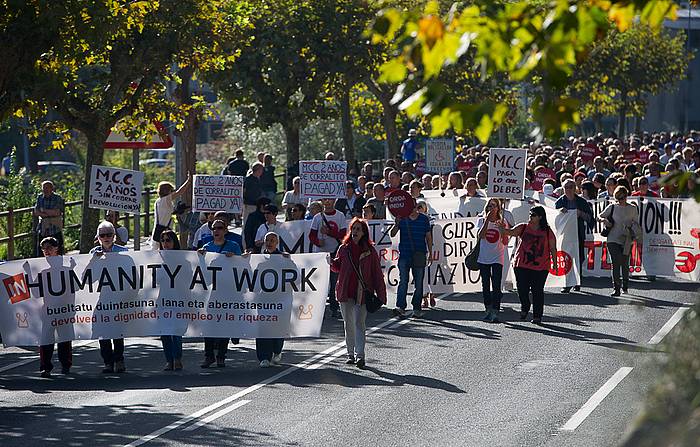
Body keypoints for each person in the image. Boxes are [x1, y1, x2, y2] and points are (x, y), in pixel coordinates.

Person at [331, 218, 387, 369]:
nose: (355, 232)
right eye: (353, 229)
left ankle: (360, 355)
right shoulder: (344, 248)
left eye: (358, 229)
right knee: (348, 323)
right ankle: (350, 354)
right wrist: (330, 262)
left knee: (359, 324)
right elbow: (337, 266)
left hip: (362, 293)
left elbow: (377, 273)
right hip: (344, 292)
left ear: (364, 233)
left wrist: (381, 294)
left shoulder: (370, 251)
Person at [498, 206, 557, 324]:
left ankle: (537, 316)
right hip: (521, 265)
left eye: (533, 215)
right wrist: (502, 229)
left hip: (540, 267)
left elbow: (552, 248)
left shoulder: (547, 231)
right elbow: (510, 232)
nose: (530, 216)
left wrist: (555, 263)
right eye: (530, 214)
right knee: (522, 290)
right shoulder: (523, 227)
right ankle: (525, 306)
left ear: (540, 217)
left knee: (537, 291)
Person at [198, 219, 242, 368]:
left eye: (220, 228)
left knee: (225, 322)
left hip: (228, 291)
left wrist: (234, 259)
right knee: (209, 323)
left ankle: (221, 355)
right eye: (214, 228)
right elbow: (200, 268)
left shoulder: (233, 246)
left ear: (225, 230)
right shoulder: (207, 247)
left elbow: (242, 266)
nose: (216, 231)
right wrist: (199, 256)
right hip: (211, 292)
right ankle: (208, 355)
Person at [90, 221, 129, 373]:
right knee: (102, 330)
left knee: (117, 331)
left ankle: (119, 360)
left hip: (119, 297)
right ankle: (107, 362)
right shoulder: (93, 253)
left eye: (109, 235)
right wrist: (95, 260)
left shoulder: (123, 251)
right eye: (102, 235)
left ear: (114, 236)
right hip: (102, 297)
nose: (106, 238)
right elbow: (87, 278)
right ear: (98, 237)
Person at [390, 200, 433, 317]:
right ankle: (400, 306)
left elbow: (428, 237)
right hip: (404, 254)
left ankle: (416, 307)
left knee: (418, 283)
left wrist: (430, 252)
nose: (414, 208)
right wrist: (396, 224)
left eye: (416, 206)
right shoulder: (402, 219)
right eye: (412, 206)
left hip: (419, 254)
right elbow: (392, 234)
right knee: (403, 281)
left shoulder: (424, 219)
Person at [38, 237, 72, 377]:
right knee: (46, 338)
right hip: (48, 309)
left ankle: (66, 365)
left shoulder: (65, 264)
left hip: (64, 307)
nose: (47, 251)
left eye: (49, 248)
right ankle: (45, 367)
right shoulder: (40, 267)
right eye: (44, 249)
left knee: (64, 337)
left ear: (56, 248)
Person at [599, 186, 642, 296]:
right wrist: (604, 220)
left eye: (623, 197)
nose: (621, 200)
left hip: (626, 239)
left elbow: (637, 223)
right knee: (615, 262)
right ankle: (616, 288)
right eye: (618, 197)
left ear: (626, 196)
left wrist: (632, 227)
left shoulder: (632, 208)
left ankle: (625, 286)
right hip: (613, 238)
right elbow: (599, 216)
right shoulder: (612, 207)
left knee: (625, 263)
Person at [254, 232, 288, 367]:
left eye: (273, 240)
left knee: (277, 326)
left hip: (279, 299)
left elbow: (294, 275)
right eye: (267, 240)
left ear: (277, 242)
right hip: (263, 299)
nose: (270, 242)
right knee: (263, 327)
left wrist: (288, 260)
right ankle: (264, 357)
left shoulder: (283, 257)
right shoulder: (259, 258)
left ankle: (277, 350)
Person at [310, 198, 348, 319]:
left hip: (335, 253)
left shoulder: (340, 216)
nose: (327, 202)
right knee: (320, 282)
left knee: (334, 281)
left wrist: (330, 233)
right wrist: (317, 242)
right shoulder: (317, 217)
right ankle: (318, 308)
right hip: (321, 254)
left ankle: (334, 307)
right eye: (325, 200)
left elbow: (343, 235)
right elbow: (311, 235)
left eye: (330, 199)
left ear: (334, 200)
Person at [554, 179, 593, 293]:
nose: (569, 189)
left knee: (579, 257)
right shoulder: (559, 202)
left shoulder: (581, 201)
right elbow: (555, 219)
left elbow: (590, 218)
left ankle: (577, 280)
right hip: (565, 235)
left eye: (571, 187)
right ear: (563, 189)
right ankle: (567, 283)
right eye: (566, 187)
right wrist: (559, 212)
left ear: (575, 188)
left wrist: (580, 213)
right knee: (566, 258)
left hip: (578, 233)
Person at [476, 199, 509, 323]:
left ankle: (495, 310)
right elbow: (481, 235)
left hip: (497, 257)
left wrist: (503, 230)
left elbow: (505, 242)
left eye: (494, 206)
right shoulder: (481, 220)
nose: (491, 208)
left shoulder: (503, 220)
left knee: (496, 284)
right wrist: (487, 221)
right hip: (484, 257)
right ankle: (487, 308)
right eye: (489, 205)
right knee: (485, 284)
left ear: (498, 208)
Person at [158, 230, 184, 371]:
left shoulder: (183, 259)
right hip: (162, 299)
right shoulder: (156, 259)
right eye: (163, 240)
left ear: (174, 242)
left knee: (176, 331)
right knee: (165, 331)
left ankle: (177, 358)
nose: (166, 243)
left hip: (178, 299)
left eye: (168, 240)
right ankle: (169, 360)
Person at [152, 174, 192, 244]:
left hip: (157, 231)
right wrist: (188, 181)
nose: (172, 192)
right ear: (167, 191)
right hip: (164, 232)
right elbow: (179, 192)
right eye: (171, 190)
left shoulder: (158, 201)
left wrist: (176, 211)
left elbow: (166, 213)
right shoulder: (166, 199)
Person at [34, 180, 65, 255]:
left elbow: (57, 212)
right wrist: (49, 213)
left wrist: (43, 211)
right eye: (43, 188)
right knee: (42, 250)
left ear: (52, 188)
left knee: (57, 250)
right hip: (43, 228)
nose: (45, 190)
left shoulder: (57, 198)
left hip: (55, 228)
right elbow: (36, 212)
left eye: (47, 188)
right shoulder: (40, 198)